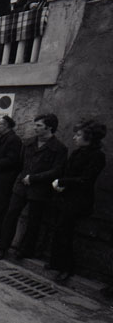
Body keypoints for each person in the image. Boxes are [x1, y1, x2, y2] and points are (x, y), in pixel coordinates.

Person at [0, 113, 68, 260]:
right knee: (11, 215)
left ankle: (24, 251)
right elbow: (20, 163)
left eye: (39, 125)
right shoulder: (28, 143)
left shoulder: (59, 148)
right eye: (35, 125)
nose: (35, 128)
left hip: (40, 189)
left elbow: (57, 170)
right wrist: (22, 178)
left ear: (49, 128)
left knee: (34, 220)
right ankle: (2, 247)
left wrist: (34, 178)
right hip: (21, 186)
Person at [48, 120, 106, 283]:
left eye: (79, 135)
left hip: (78, 201)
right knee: (58, 230)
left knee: (66, 233)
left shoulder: (97, 156)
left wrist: (63, 182)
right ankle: (56, 263)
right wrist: (60, 183)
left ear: (89, 138)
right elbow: (67, 171)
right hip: (65, 197)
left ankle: (67, 268)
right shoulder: (77, 152)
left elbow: (86, 180)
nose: (74, 137)